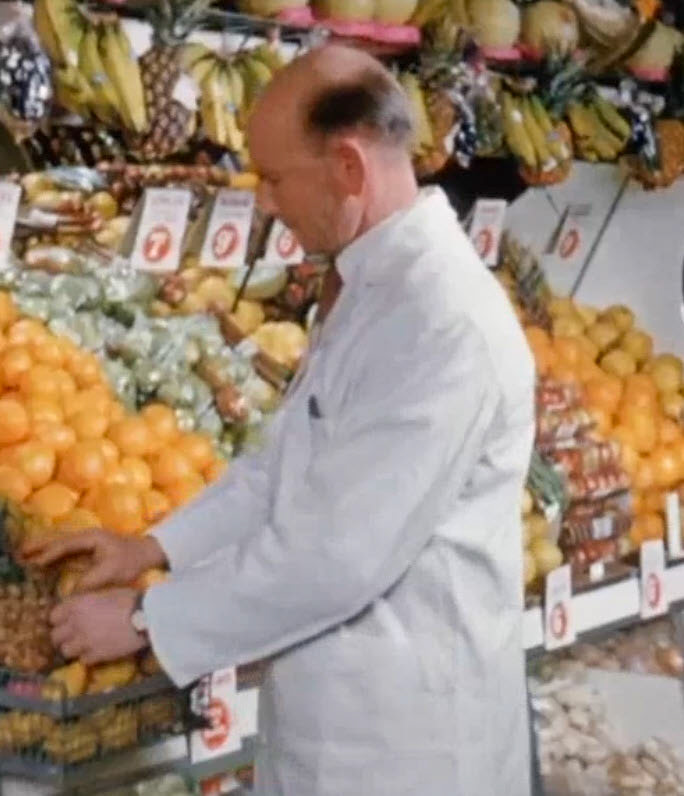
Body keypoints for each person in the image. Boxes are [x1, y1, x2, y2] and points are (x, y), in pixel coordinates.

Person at [26, 44, 535, 795]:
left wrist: (144, 620)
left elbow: (338, 554)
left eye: (273, 178)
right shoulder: (374, 285)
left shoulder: (441, 321)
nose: (262, 201)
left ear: (349, 170)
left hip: (406, 749)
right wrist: (153, 546)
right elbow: (288, 465)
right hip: (336, 720)